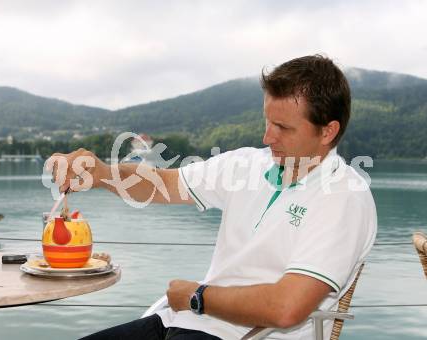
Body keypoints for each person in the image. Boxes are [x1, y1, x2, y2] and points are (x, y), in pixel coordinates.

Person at [48, 55, 377, 340]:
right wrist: (101, 173)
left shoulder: (344, 197)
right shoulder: (248, 163)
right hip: (185, 321)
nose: (267, 137)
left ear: (328, 131)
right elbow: (162, 183)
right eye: (267, 121)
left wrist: (197, 296)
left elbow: (286, 308)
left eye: (283, 127)